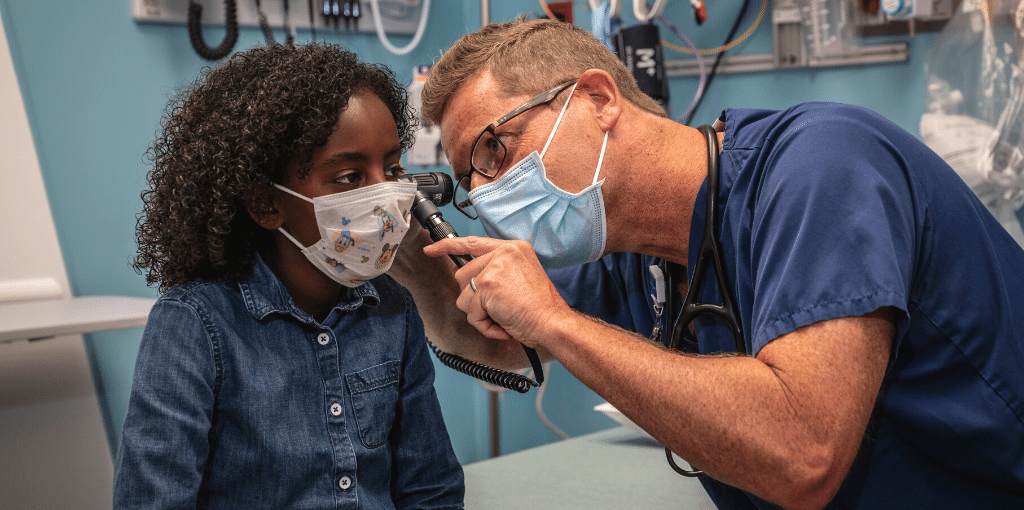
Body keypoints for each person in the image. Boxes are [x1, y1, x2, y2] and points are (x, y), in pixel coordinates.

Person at [388, 17, 1024, 510]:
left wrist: (558, 322)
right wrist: (400, 247)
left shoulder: (823, 169)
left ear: (598, 98)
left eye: (495, 149)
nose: (488, 191)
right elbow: (502, 331)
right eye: (471, 180)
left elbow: (803, 455)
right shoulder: (630, 252)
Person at [115, 42, 465, 509]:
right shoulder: (193, 326)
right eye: (348, 177)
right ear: (265, 202)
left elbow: (431, 487)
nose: (385, 195)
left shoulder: (393, 309)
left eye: (393, 168)